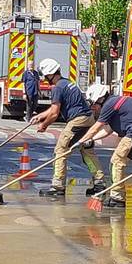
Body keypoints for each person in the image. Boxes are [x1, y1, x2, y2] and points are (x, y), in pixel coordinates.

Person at [31, 58, 106, 198]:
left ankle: (57, 187)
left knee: (60, 151)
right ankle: (99, 182)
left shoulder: (57, 88)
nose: (45, 78)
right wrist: (40, 116)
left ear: (50, 74)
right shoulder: (67, 83)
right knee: (88, 152)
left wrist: (44, 125)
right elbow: (53, 109)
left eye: (45, 76)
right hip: (88, 119)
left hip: (77, 121)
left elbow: (54, 113)